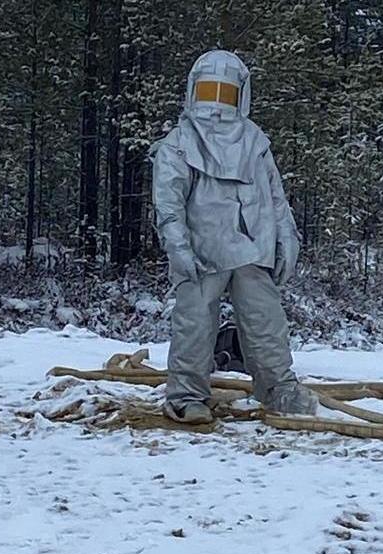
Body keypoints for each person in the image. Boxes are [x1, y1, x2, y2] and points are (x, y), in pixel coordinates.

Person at [150, 49, 318, 425]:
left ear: (241, 95)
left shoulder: (255, 141)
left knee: (265, 322)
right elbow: (169, 202)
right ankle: (186, 395)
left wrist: (287, 236)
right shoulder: (180, 142)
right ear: (193, 91)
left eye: (225, 92)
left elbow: (274, 195)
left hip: (252, 246)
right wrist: (178, 246)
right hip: (202, 250)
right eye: (208, 90)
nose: (215, 102)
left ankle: (278, 388)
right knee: (194, 323)